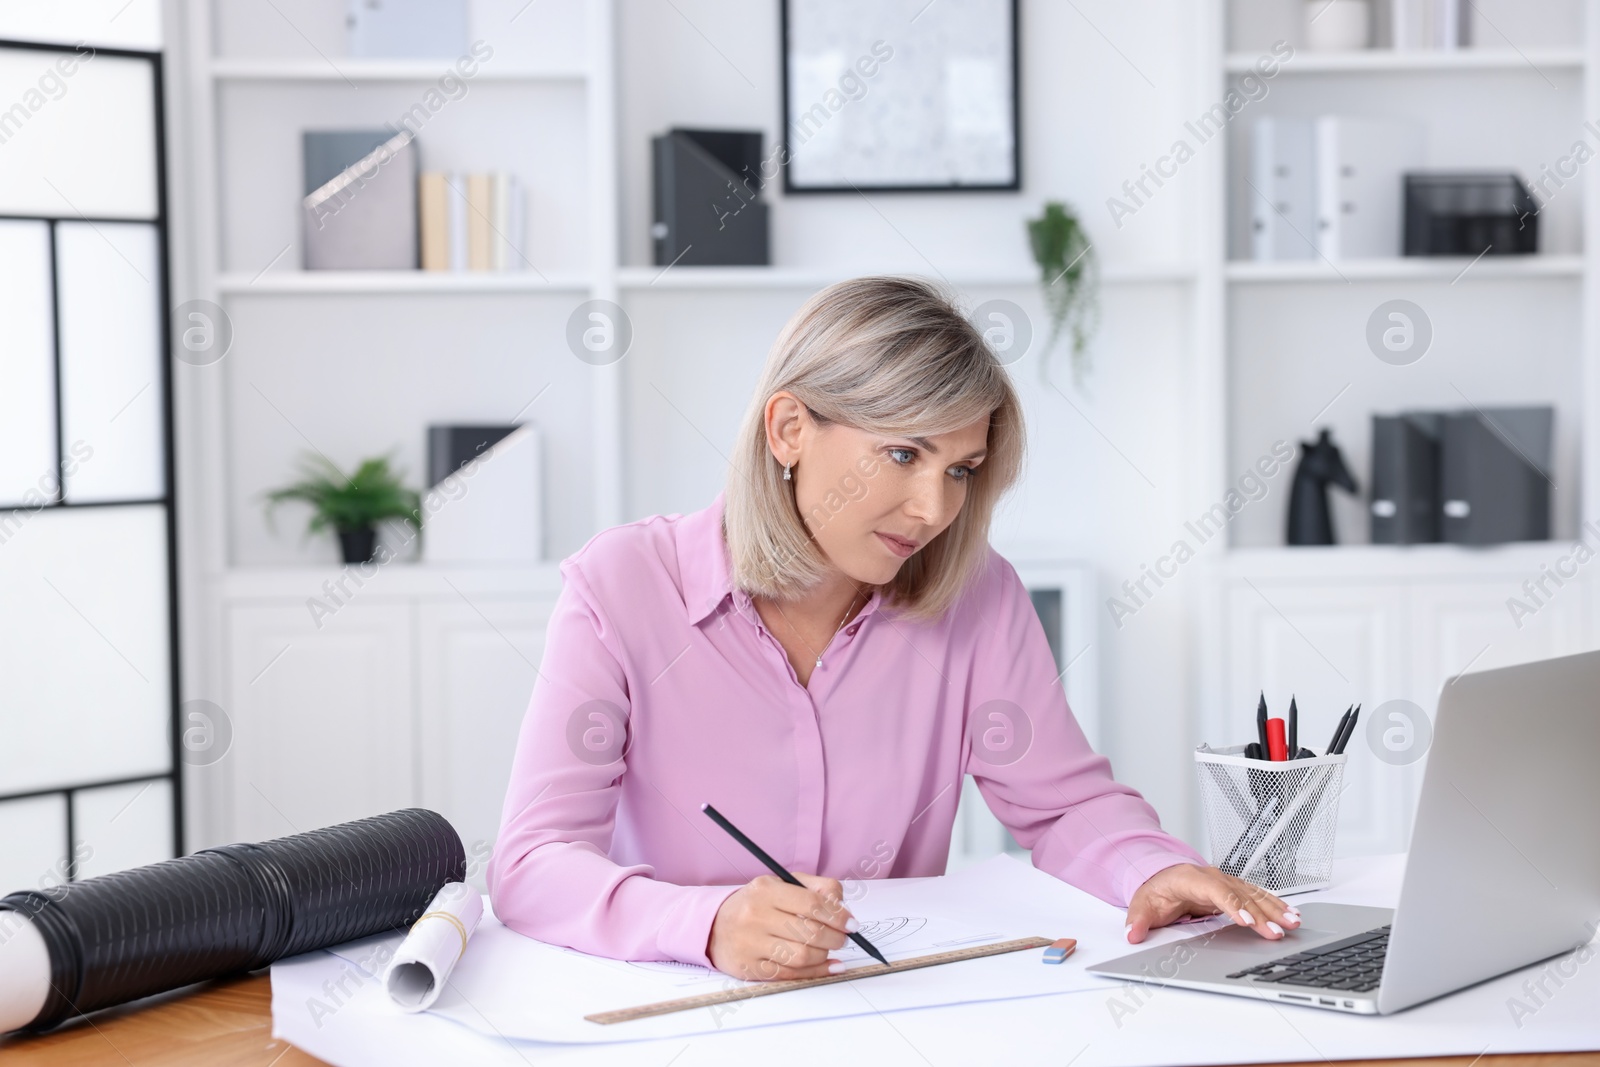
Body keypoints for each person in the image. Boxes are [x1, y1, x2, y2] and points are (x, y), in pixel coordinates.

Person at [487, 276, 1301, 982]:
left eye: (960, 470)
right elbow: (531, 865)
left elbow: (1061, 806)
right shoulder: (621, 586)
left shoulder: (978, 598)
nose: (935, 509)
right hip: (676, 1014)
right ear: (789, 430)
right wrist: (702, 923)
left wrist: (1155, 869)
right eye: (905, 454)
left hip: (895, 1014)